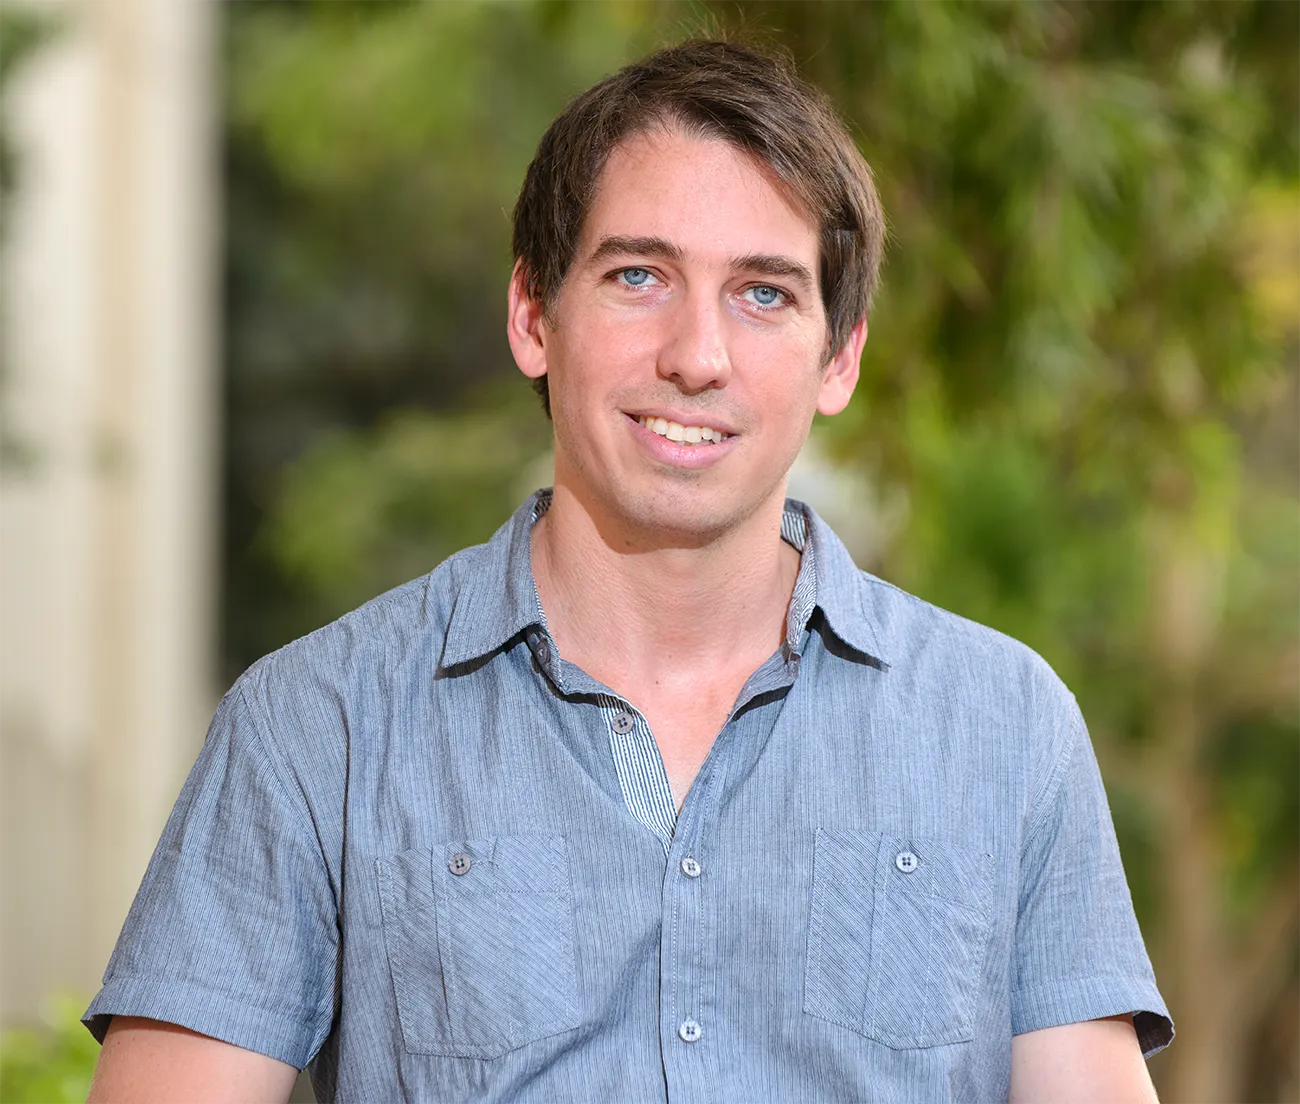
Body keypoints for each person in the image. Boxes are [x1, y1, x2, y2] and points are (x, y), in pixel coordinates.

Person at [83, 39, 1172, 1103]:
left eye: (763, 294)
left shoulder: (1005, 726)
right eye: (639, 275)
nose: (696, 356)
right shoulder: (318, 726)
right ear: (531, 317)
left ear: (838, 357)